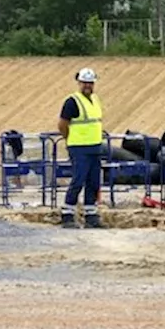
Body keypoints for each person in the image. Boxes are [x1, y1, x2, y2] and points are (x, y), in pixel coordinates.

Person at [57, 67, 105, 229]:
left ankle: (91, 216)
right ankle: (67, 215)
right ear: (79, 82)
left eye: (90, 83)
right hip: (79, 148)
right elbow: (62, 124)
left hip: (95, 147)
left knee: (93, 182)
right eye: (85, 82)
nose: (88, 86)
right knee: (78, 180)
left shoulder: (95, 100)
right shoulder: (72, 101)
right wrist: (69, 139)